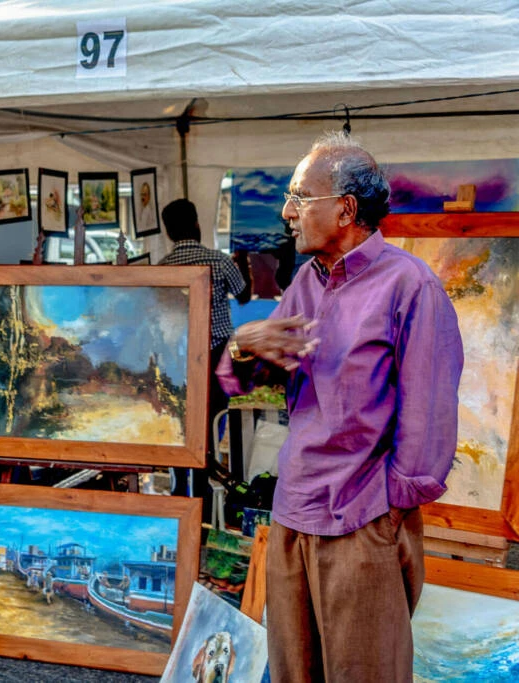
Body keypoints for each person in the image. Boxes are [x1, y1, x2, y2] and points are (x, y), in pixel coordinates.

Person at [217, 132, 463, 683]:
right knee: (293, 673)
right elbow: (250, 380)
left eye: (300, 197)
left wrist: (387, 515)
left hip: (361, 520)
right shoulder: (307, 281)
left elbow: (428, 425)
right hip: (293, 510)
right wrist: (241, 346)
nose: (287, 213)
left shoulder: (410, 287)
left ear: (346, 209)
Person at [159, 199, 250, 504]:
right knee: (212, 419)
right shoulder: (220, 261)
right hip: (215, 354)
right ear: (197, 225)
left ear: (169, 233)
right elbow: (244, 295)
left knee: (180, 421)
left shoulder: (163, 268)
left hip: (177, 357)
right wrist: (243, 262)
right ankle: (204, 492)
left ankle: (179, 490)